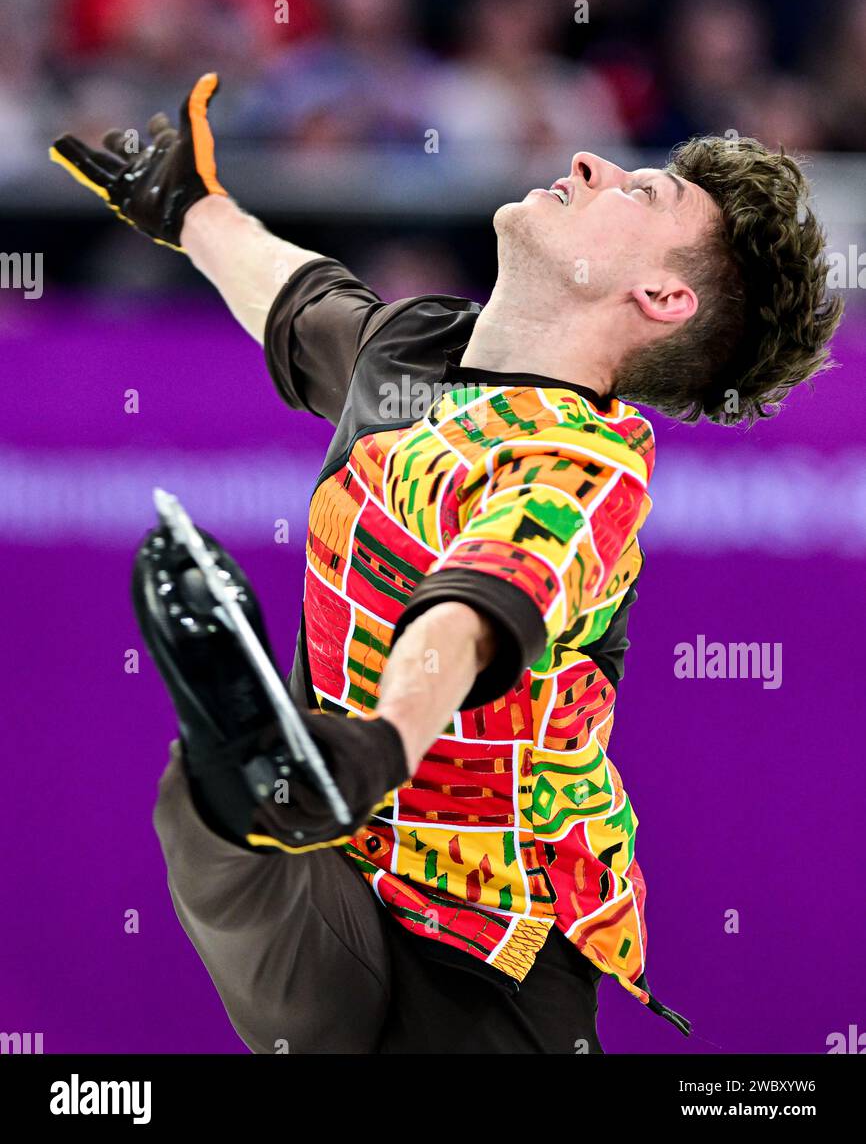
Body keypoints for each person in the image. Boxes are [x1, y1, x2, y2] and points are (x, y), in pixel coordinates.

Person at [49, 73, 842, 1054]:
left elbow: (472, 609)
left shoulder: (583, 463)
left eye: (639, 192)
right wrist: (187, 206)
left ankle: (255, 775)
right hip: (335, 868)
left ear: (661, 296)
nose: (591, 161)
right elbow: (295, 303)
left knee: (238, 813)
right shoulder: (417, 354)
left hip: (485, 974)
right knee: (209, 807)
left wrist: (378, 747)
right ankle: (242, 775)